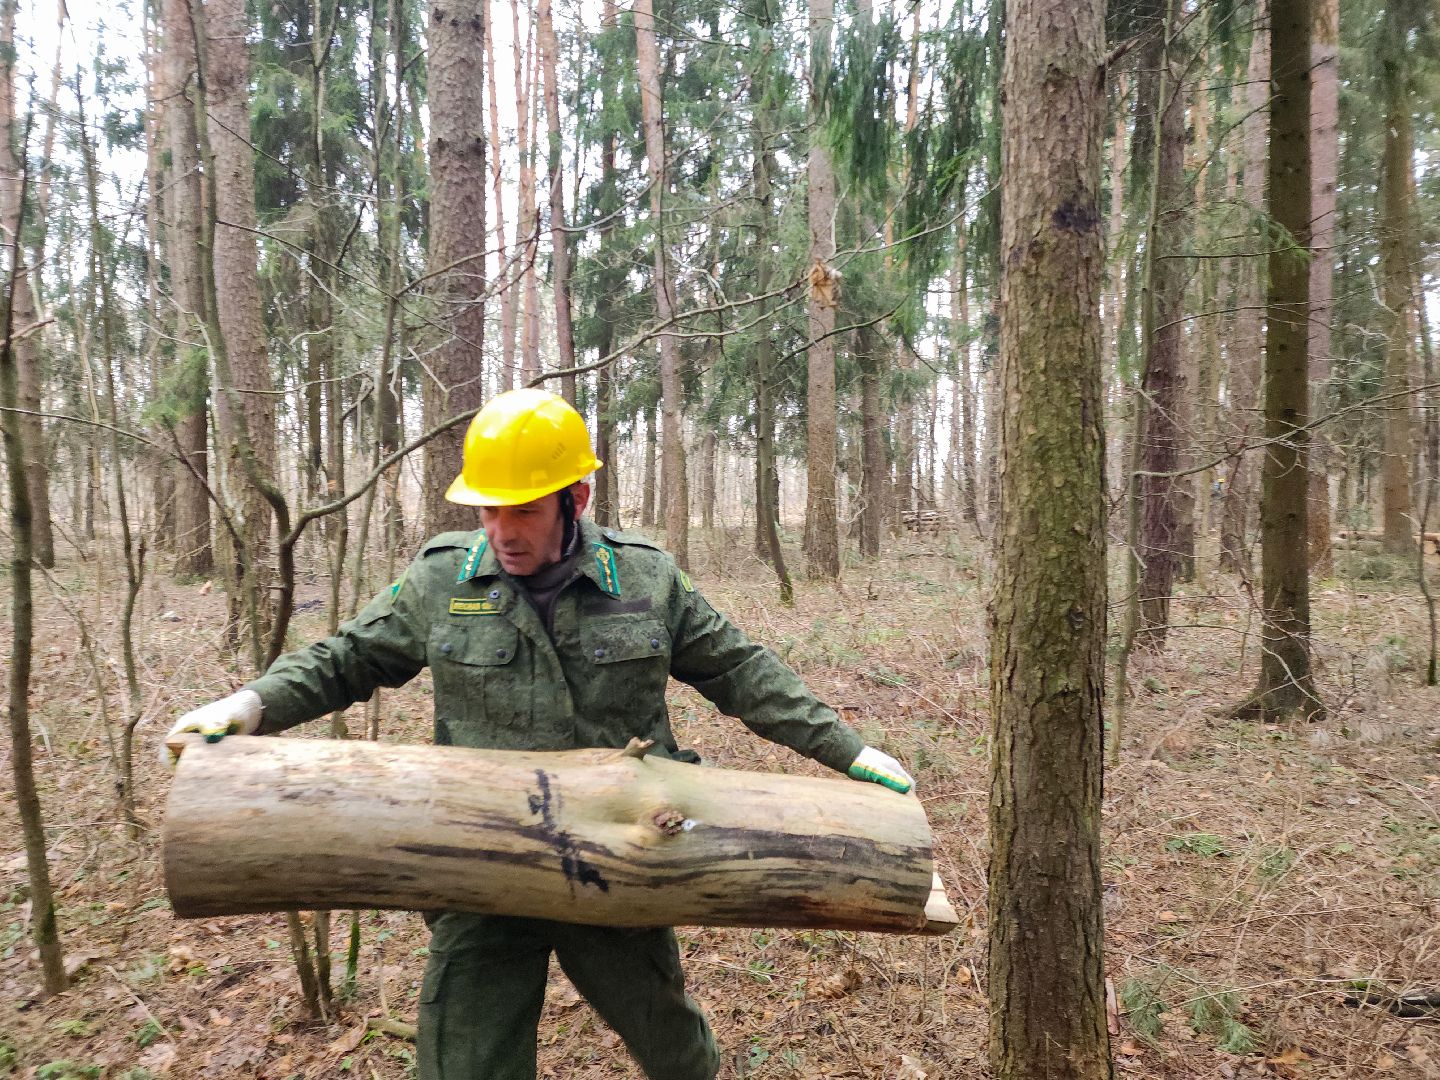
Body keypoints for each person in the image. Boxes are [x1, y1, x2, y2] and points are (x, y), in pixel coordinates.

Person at [164, 387, 914, 1080]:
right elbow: (346, 660)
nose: (501, 531)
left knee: (675, 1053)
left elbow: (743, 671)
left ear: (576, 497)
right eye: (488, 510)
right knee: (464, 1066)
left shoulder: (644, 582)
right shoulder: (443, 580)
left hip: (620, 863)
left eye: (522, 510)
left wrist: (848, 750)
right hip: (480, 868)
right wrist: (249, 705)